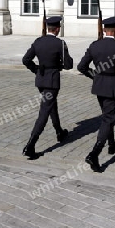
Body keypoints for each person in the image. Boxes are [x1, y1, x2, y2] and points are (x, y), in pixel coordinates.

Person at [77, 16, 115, 172]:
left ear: (104, 30)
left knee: (107, 116)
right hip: (112, 87)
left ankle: (112, 144)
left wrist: (94, 75)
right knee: (108, 119)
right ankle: (94, 154)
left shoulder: (95, 45)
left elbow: (81, 66)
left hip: (99, 87)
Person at [22, 16, 73, 158]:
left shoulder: (38, 41)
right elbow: (69, 65)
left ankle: (59, 132)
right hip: (52, 82)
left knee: (51, 106)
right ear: (57, 29)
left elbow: (26, 59)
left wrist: (36, 69)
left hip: (41, 80)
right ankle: (30, 144)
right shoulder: (59, 43)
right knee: (44, 111)